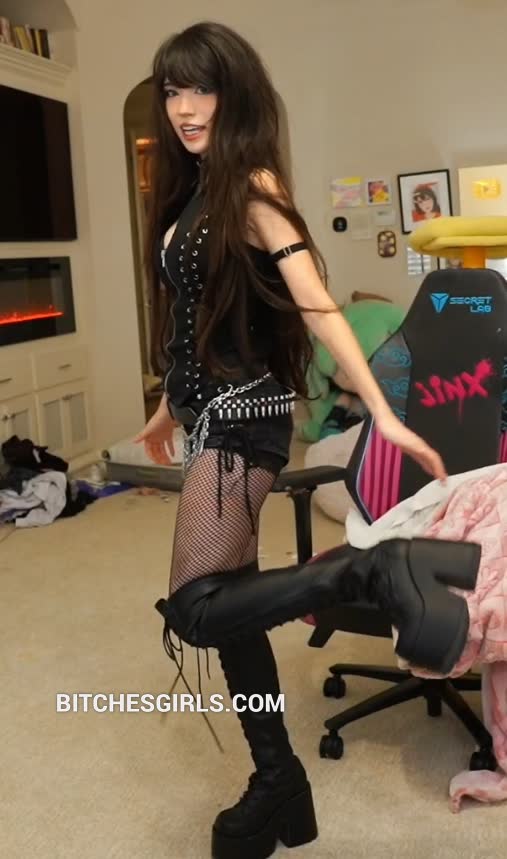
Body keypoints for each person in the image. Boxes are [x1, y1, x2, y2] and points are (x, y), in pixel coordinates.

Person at [134, 22, 480, 859]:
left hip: (242, 418)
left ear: (236, 95)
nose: (185, 107)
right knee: (236, 615)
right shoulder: (191, 194)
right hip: (208, 414)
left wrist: (383, 415)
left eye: (202, 88)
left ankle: (367, 569)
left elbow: (318, 307)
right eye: (173, 91)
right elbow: (199, 320)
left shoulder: (252, 188)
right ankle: (278, 782)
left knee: (196, 605)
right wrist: (167, 407)